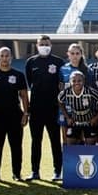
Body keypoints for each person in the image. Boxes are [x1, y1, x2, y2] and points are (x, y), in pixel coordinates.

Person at [0, 47, 29, 182]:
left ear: (11, 57)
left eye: (7, 56)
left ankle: (17, 174)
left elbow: (24, 96)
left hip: (15, 116)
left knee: (16, 147)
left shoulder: (19, 75)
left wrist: (26, 113)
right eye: (2, 56)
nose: (4, 58)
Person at [25, 35, 65, 181]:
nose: (44, 46)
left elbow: (62, 84)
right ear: (37, 45)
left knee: (55, 140)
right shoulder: (31, 62)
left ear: (51, 44)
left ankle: (57, 172)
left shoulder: (58, 62)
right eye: (41, 44)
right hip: (36, 109)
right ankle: (35, 171)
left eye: (46, 44)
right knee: (36, 141)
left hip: (53, 109)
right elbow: (30, 83)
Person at [58, 71, 98, 146]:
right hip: (75, 122)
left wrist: (96, 118)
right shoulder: (66, 92)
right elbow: (60, 101)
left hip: (89, 121)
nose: (77, 83)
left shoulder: (90, 91)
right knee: (70, 144)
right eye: (74, 81)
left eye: (79, 80)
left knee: (90, 145)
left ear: (83, 81)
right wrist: (68, 117)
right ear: (70, 81)